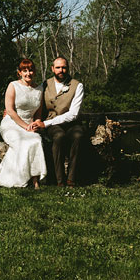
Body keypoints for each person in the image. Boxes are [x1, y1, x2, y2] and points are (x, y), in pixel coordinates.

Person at [0, 58, 48, 189]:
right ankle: (20, 179)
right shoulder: (13, 85)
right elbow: (9, 110)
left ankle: (35, 180)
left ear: (35, 72)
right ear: (19, 72)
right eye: (24, 71)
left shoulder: (39, 90)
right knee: (23, 143)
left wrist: (36, 123)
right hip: (12, 124)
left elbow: (38, 113)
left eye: (31, 70)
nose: (28, 73)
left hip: (29, 125)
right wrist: (25, 126)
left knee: (36, 140)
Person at [28, 56, 84, 187]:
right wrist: (12, 109)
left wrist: (45, 123)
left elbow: (73, 114)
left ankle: (71, 179)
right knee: (59, 136)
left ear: (68, 68)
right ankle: (59, 180)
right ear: (52, 69)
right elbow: (32, 100)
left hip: (71, 123)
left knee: (78, 136)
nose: (61, 70)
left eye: (64, 67)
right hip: (52, 124)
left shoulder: (77, 85)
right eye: (58, 67)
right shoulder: (45, 84)